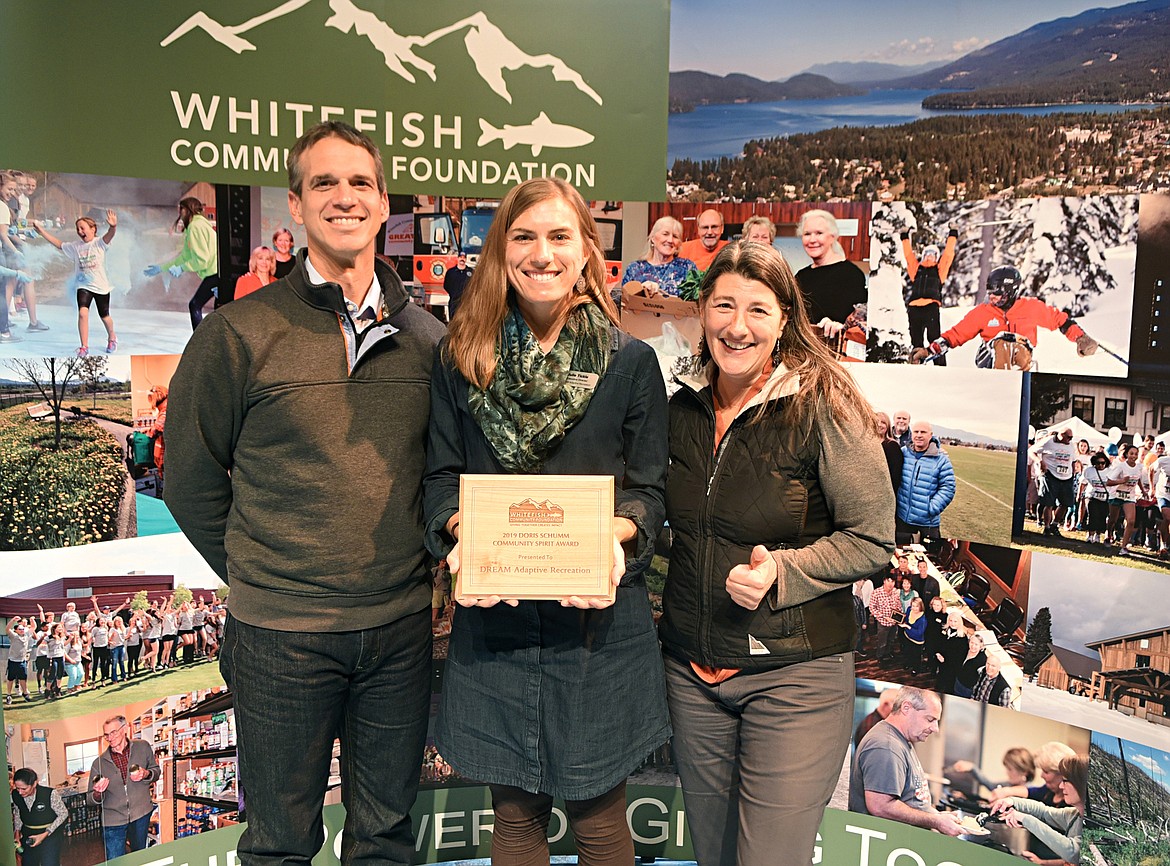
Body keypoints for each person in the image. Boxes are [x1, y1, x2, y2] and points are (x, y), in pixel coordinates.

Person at [164, 121, 445, 866]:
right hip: (279, 637)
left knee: (384, 838)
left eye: (360, 182)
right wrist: (263, 570)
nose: (344, 197)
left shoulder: (428, 340)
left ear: (385, 203)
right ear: (294, 205)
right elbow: (189, 481)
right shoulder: (238, 333)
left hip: (397, 633)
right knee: (280, 844)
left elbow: (445, 474)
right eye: (324, 183)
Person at [423, 176, 669, 866]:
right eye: (523, 236)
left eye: (560, 236)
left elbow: (649, 494)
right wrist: (462, 539)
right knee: (514, 819)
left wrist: (610, 543)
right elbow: (440, 482)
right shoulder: (461, 358)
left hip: (595, 628)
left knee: (598, 820)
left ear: (587, 251)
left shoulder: (631, 365)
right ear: (500, 251)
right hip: (495, 623)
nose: (542, 253)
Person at [659, 240, 894, 866]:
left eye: (758, 310)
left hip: (794, 677)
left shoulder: (825, 400)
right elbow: (669, 520)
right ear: (702, 311)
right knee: (713, 856)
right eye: (724, 307)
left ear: (785, 318)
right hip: (693, 675)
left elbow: (872, 537)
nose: (738, 327)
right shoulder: (679, 401)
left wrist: (784, 572)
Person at [911, 265, 1098, 369]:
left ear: (1011, 291)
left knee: (1016, 345)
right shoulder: (984, 312)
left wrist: (1081, 338)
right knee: (1002, 342)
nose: (991, 297)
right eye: (990, 293)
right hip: (988, 358)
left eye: (997, 294)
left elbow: (1060, 321)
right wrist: (929, 351)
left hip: (1021, 358)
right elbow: (956, 335)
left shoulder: (1031, 307)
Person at [849, 687, 964, 836]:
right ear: (906, 708)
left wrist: (937, 816)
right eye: (930, 719)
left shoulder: (901, 739)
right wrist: (935, 821)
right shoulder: (886, 746)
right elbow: (880, 806)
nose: (935, 728)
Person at [33, 211, 119, 356]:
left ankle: (112, 336)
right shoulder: (75, 246)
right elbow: (59, 244)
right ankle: (84, 346)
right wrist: (42, 231)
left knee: (104, 316)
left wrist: (113, 227)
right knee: (82, 314)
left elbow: (110, 235)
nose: (80, 231)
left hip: (101, 286)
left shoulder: (99, 243)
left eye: (83, 228)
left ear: (93, 229)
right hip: (83, 285)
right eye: (77, 229)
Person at [88, 714, 161, 860]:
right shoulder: (99, 763)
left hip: (141, 813)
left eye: (113, 732)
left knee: (140, 857)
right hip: (112, 820)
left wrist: (146, 773)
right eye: (106, 735)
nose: (110, 738)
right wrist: (97, 793)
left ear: (125, 729)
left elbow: (156, 771)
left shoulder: (143, 747)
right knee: (115, 861)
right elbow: (90, 799)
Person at [991, 754, 1088, 865]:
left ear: (1081, 784)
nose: (1061, 786)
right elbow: (1044, 812)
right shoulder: (1073, 814)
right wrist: (1012, 801)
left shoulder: (1091, 823)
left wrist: (1024, 818)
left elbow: (1073, 852)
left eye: (1065, 781)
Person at [145, 196, 218, 329]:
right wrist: (163, 268)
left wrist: (182, 268)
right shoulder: (195, 226)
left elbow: (202, 260)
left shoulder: (196, 227)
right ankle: (209, 342)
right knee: (218, 310)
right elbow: (184, 256)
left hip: (215, 274)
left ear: (186, 210)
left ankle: (201, 342)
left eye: (181, 210)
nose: (179, 214)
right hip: (214, 273)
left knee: (195, 305)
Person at [794, 209, 867, 339]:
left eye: (819, 233)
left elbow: (860, 325)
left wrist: (840, 327)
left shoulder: (852, 275)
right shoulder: (800, 276)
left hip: (835, 352)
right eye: (807, 234)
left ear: (832, 237)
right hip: (804, 350)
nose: (812, 240)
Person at [901, 226, 958, 365]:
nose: (929, 256)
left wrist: (953, 233)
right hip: (914, 308)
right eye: (927, 253)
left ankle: (940, 366)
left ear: (936, 257)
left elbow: (948, 254)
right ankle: (916, 365)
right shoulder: (916, 270)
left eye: (933, 254)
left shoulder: (939, 271)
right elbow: (908, 255)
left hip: (931, 307)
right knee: (916, 339)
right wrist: (904, 236)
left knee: (934, 338)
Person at [895, 420, 955, 544]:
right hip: (903, 519)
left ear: (931, 435)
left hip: (927, 523)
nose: (919, 435)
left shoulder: (941, 459)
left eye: (923, 432)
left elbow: (948, 487)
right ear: (912, 434)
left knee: (930, 556)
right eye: (916, 431)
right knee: (902, 555)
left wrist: (931, 508)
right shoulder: (903, 453)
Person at [620, 215, 694, 296]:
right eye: (665, 234)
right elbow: (624, 300)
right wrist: (640, 290)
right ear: (653, 238)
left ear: (679, 243)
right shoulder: (634, 268)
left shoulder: (687, 267)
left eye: (675, 236)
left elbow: (696, 302)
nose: (670, 240)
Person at [11, 767, 68, 866]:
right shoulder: (15, 795)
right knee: (28, 863)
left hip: (50, 835)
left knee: (49, 863)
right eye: (18, 788)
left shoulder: (49, 794)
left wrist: (45, 834)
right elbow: (18, 813)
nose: (20, 792)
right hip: (28, 834)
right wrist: (17, 833)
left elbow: (63, 814)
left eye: (24, 789)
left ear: (34, 783)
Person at [1030, 427, 1077, 537]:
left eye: (1071, 438)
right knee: (1048, 503)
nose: (1070, 440)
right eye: (1068, 437)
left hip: (1066, 477)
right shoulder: (1048, 441)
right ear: (1061, 435)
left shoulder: (1070, 445)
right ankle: (1046, 527)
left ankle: (1054, 524)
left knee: (1066, 503)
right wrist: (1040, 461)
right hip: (1051, 475)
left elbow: (1073, 460)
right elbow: (1031, 451)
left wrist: (1073, 471)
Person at [1104, 443, 1147, 555]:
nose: (1134, 456)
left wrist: (1143, 491)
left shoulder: (1139, 467)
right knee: (1113, 519)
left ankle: (1124, 547)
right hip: (1116, 494)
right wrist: (1121, 481)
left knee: (1131, 521)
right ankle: (1108, 534)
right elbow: (1108, 482)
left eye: (1136, 454)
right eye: (1131, 453)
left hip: (1129, 496)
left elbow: (1137, 479)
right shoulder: (1120, 466)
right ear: (1126, 454)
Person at [869, 574, 902, 661]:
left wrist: (899, 616)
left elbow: (899, 605)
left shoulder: (895, 592)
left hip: (894, 623)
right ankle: (880, 657)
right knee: (882, 643)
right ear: (884, 581)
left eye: (892, 581)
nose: (890, 584)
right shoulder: (876, 592)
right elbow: (872, 608)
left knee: (891, 640)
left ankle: (888, 653)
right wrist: (884, 617)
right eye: (888, 581)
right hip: (883, 623)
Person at [1082, 451, 1111, 544]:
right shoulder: (1089, 471)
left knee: (1102, 517)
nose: (1101, 465)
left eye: (1103, 463)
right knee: (1092, 515)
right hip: (1092, 496)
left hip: (1105, 497)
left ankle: (1098, 535)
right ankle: (1090, 535)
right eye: (1098, 463)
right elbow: (1083, 482)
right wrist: (1080, 494)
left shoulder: (1110, 471)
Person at [5, 617, 32, 704]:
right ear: (16, 630)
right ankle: (9, 695)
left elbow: (33, 627)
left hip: (22, 661)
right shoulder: (14, 636)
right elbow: (7, 629)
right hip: (13, 661)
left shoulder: (26, 636)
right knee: (10, 678)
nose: (22, 630)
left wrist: (32, 620)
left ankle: (25, 694)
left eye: (23, 629)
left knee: (23, 678)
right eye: (19, 629)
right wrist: (12, 621)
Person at [875, 411, 903, 492]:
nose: (879, 424)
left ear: (888, 426)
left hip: (885, 491)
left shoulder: (892, 445)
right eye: (876, 422)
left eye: (883, 422)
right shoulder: (869, 444)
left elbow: (895, 476)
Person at [953, 632, 987, 699]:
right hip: (958, 682)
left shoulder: (982, 660)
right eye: (972, 643)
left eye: (976, 644)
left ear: (981, 646)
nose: (973, 646)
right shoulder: (965, 650)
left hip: (967, 689)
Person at [442, 251, 471, 318]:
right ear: (457, 258)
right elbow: (446, 285)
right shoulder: (451, 272)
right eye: (460, 257)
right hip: (454, 301)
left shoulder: (471, 272)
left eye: (464, 258)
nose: (462, 259)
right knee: (453, 320)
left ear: (466, 259)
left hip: (467, 302)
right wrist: (453, 294)